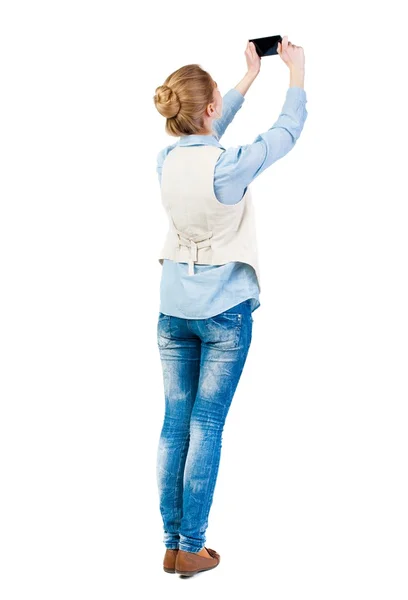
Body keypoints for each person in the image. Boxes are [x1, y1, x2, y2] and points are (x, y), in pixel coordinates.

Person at [152, 36, 307, 577]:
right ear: (212, 110)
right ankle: (192, 545)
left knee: (175, 425)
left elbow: (206, 132)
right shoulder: (230, 166)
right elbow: (284, 135)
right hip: (223, 311)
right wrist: (295, 75)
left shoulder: (166, 160)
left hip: (173, 308)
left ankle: (172, 544)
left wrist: (244, 81)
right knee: (207, 425)